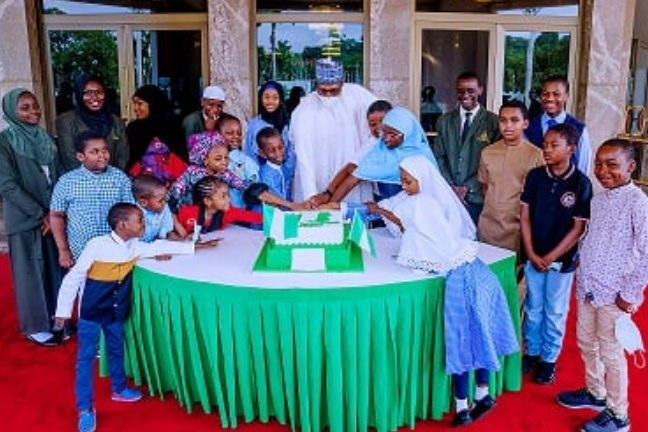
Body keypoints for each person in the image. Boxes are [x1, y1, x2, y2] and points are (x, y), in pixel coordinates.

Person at [379, 155, 518, 427]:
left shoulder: (418, 206)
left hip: (460, 282)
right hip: (478, 271)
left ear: (421, 179)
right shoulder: (434, 203)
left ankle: (463, 408)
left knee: (461, 343)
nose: (404, 186)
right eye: (402, 181)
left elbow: (405, 230)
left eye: (407, 181)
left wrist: (378, 209)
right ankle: (484, 393)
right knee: (480, 335)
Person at [53, 202, 197, 432]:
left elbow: (159, 246)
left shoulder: (134, 246)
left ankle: (119, 389)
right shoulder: (97, 245)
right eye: (139, 220)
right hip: (91, 314)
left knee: (117, 350)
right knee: (85, 360)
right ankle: (85, 410)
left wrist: (194, 246)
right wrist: (62, 311)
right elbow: (74, 277)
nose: (144, 224)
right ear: (122, 225)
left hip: (116, 312)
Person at [557, 138, 648, 432]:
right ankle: (595, 393)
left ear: (631, 167)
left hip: (616, 294)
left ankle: (618, 415)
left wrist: (631, 293)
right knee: (585, 342)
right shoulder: (598, 199)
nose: (603, 171)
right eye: (598, 164)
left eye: (612, 165)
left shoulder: (639, 202)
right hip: (589, 287)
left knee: (611, 352)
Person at [520, 123, 592, 385]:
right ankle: (533, 352)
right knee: (533, 306)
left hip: (561, 262)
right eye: (545, 145)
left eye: (554, 145)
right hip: (533, 254)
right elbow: (525, 215)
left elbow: (578, 228)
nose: (546, 150)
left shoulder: (581, 183)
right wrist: (530, 250)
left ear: (571, 149)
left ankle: (549, 359)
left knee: (555, 310)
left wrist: (550, 257)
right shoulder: (536, 176)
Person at [0, 88, 63, 346]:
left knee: (53, 268)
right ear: (11, 111)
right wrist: (40, 214)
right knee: (30, 272)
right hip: (26, 219)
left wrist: (57, 212)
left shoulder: (46, 138)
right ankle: (35, 326)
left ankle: (56, 318)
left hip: (54, 215)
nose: (33, 112)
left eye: (35, 106)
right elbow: (7, 185)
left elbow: (58, 176)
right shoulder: (3, 142)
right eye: (25, 107)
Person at [290, 58, 377, 202]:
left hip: (351, 179)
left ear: (342, 83)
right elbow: (303, 154)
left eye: (334, 90)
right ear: (316, 84)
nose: (328, 95)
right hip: (317, 181)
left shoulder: (358, 96)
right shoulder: (304, 109)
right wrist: (310, 194)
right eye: (323, 91)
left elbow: (384, 118)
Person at [50, 130, 134, 269]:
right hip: (82, 253)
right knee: (85, 289)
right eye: (94, 152)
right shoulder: (67, 181)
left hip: (116, 252)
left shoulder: (120, 178)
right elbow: (56, 216)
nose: (102, 155)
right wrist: (63, 250)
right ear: (80, 156)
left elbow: (130, 213)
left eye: (104, 150)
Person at [168, 131, 297, 221]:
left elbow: (248, 188)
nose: (224, 162)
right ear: (205, 159)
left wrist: (290, 205)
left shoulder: (224, 173)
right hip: (190, 219)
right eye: (218, 158)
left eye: (226, 158)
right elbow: (174, 196)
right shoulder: (191, 174)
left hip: (214, 219)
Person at [321, 106, 438, 204]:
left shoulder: (423, 155)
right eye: (384, 133)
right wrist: (331, 207)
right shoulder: (380, 150)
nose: (386, 139)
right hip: (385, 209)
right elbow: (351, 181)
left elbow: (434, 193)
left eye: (392, 135)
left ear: (406, 132)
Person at [478, 100, 544, 254]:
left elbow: (537, 197)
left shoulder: (536, 155)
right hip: (488, 225)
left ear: (525, 124)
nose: (508, 126)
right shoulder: (487, 152)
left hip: (517, 228)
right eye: (503, 120)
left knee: (513, 273)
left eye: (514, 120)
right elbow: (485, 187)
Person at [433, 71, 500, 225]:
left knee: (477, 244)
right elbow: (439, 156)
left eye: (471, 90)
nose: (465, 95)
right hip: (449, 196)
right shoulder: (444, 121)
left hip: (477, 198)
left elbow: (493, 164)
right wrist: (451, 186)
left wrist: (467, 187)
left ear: (480, 90)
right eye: (461, 91)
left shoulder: (493, 122)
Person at [309, 99, 393, 206]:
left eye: (382, 121)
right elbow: (350, 171)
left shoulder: (408, 144)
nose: (378, 128)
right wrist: (329, 198)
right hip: (383, 198)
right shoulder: (373, 144)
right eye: (372, 124)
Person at [55, 74, 129, 174]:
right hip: (79, 183)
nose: (94, 98)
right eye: (88, 93)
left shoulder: (116, 122)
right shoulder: (66, 121)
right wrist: (92, 182)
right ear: (79, 94)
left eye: (99, 92)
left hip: (113, 182)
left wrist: (112, 179)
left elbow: (122, 157)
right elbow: (70, 159)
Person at [525, 76, 592, 175]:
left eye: (556, 94)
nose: (550, 99)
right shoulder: (528, 127)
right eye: (545, 94)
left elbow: (583, 167)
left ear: (566, 96)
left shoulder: (579, 129)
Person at [126, 84, 187, 180]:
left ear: (153, 104)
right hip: (142, 184)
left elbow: (182, 158)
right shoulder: (133, 129)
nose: (135, 108)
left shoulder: (172, 127)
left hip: (171, 183)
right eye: (135, 104)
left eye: (140, 103)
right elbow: (131, 161)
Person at [177, 176, 263, 234]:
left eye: (228, 195)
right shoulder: (186, 212)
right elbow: (171, 232)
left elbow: (256, 217)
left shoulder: (229, 213)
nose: (229, 199)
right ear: (207, 201)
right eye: (223, 196)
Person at [216, 114, 260, 208]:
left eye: (239, 133)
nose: (236, 136)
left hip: (240, 213)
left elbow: (255, 186)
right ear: (218, 134)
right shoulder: (211, 160)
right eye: (230, 133)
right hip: (219, 215)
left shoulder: (246, 161)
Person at [244, 81, 291, 163]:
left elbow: (290, 154)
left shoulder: (286, 124)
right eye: (266, 97)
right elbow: (249, 152)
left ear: (280, 100)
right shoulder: (254, 124)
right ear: (260, 99)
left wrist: (284, 173)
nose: (270, 101)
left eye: (275, 98)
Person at [132, 175, 178, 243]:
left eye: (165, 199)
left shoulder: (164, 207)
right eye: (160, 201)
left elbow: (168, 227)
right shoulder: (134, 213)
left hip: (157, 245)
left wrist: (162, 235)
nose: (164, 202)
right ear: (143, 202)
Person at [257, 126, 295, 202]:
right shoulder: (266, 174)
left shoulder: (282, 167)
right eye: (272, 151)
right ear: (262, 153)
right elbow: (276, 200)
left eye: (280, 147)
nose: (278, 153)